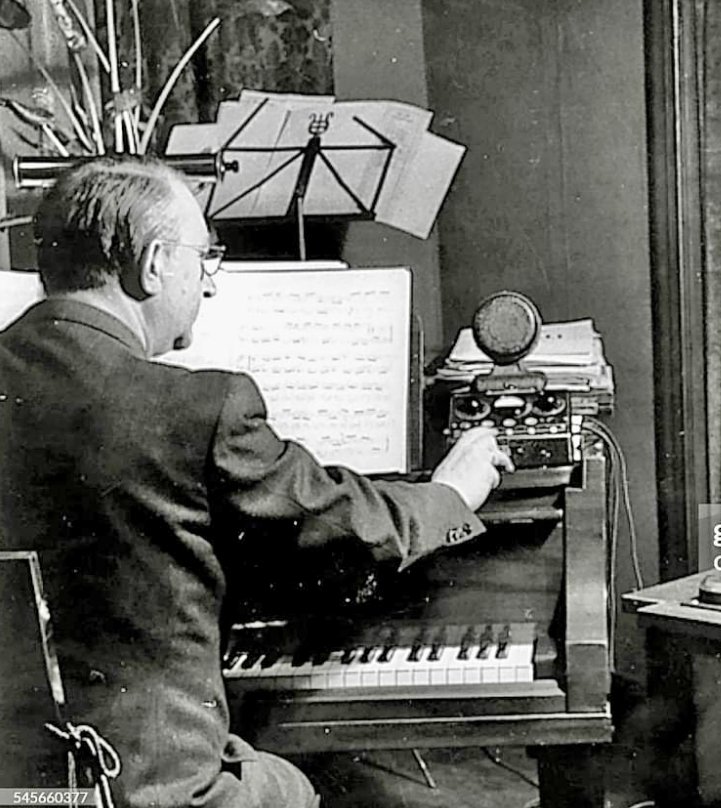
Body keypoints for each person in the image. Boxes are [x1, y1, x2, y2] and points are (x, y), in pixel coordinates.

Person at [0, 155, 514, 807]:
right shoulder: (194, 411)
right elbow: (349, 530)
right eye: (204, 259)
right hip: (150, 793)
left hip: (24, 791)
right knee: (329, 788)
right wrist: (451, 492)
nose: (209, 286)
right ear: (154, 263)